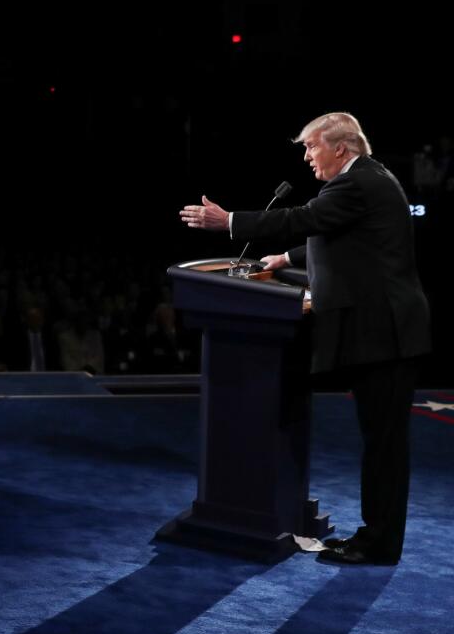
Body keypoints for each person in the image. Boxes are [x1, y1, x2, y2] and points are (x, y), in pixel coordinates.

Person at [179, 112, 431, 565]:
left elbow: (306, 217)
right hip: (383, 332)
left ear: (341, 147)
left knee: (384, 447)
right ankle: (374, 537)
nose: (307, 156)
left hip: (387, 335)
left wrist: (230, 220)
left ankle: (378, 544)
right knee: (381, 443)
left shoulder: (357, 183)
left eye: (311, 147)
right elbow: (335, 232)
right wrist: (285, 256)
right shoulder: (365, 180)